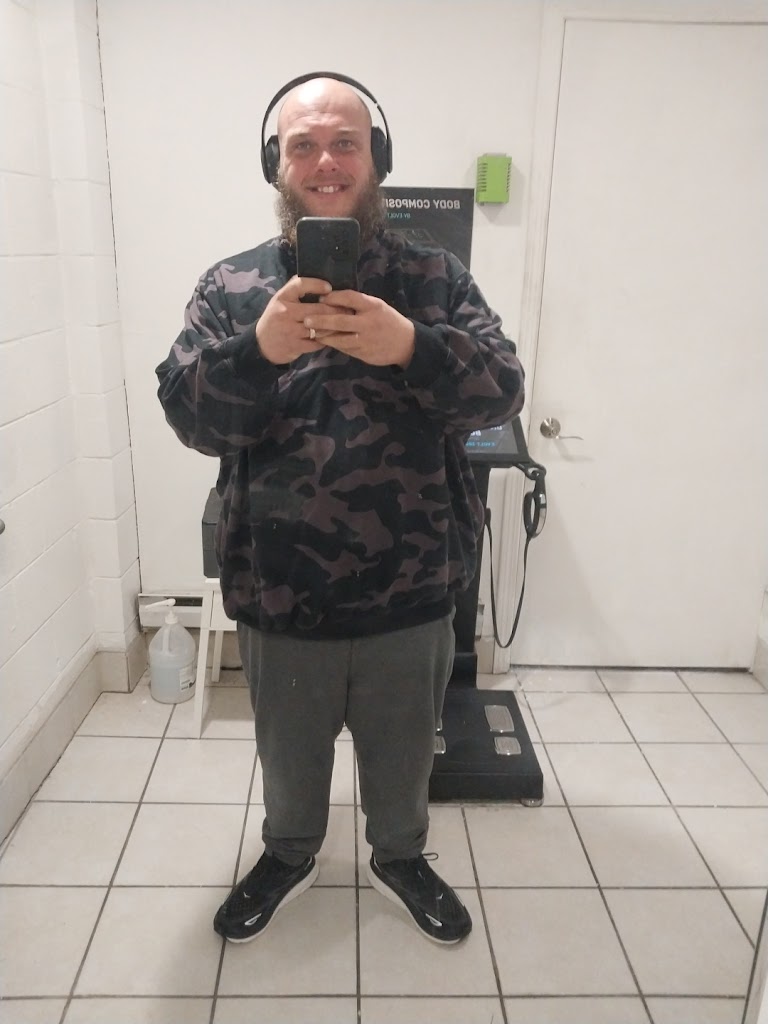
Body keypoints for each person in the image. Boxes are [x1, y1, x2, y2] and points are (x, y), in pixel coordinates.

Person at [156, 73, 524, 946]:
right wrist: (256, 351)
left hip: (413, 589)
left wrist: (415, 347)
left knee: (404, 754)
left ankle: (400, 855)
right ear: (276, 165)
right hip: (280, 592)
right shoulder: (232, 286)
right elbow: (189, 417)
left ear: (376, 158)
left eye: (345, 142)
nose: (326, 161)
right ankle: (290, 853)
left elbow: (502, 390)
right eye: (304, 145)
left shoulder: (434, 277)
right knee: (289, 760)